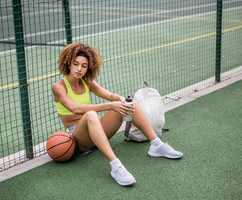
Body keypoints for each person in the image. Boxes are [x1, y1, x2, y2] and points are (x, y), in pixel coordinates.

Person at [52, 42, 183, 186]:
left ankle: (156, 145)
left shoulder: (87, 82)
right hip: (79, 139)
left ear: (88, 67)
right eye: (75, 64)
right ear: (68, 63)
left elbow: (111, 96)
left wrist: (121, 100)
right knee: (90, 114)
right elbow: (75, 108)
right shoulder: (59, 86)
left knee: (128, 102)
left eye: (84, 66)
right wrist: (110, 106)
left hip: (97, 131)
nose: (79, 69)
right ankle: (116, 166)